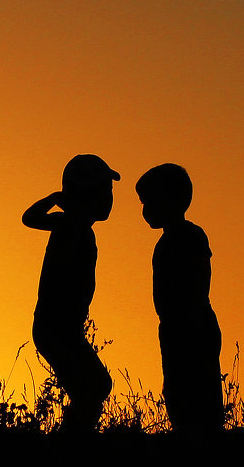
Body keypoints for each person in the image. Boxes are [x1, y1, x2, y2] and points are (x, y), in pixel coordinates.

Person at [23, 154, 118, 434]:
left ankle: (74, 437)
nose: (110, 199)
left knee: (92, 386)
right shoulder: (68, 225)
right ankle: (72, 443)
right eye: (104, 191)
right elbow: (29, 218)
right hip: (56, 328)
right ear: (85, 193)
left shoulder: (78, 227)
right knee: (94, 385)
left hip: (64, 328)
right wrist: (56, 197)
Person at [135, 163, 223, 433]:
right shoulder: (169, 241)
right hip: (174, 326)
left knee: (199, 388)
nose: (145, 211)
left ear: (171, 200)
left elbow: (198, 282)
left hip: (192, 324)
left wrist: (184, 317)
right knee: (176, 388)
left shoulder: (191, 236)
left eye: (149, 202)